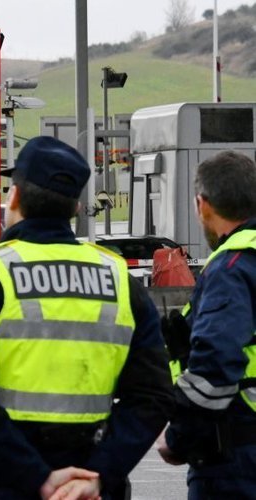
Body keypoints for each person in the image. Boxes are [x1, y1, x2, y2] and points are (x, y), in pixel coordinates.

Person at [0, 136, 174, 499]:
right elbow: (154, 396)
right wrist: (99, 473)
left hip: (4, 483)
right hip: (91, 485)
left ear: (14, 197)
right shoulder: (118, 279)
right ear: (76, 207)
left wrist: (38, 477)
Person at [157, 150, 256, 499]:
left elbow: (216, 366)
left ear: (203, 204)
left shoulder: (232, 270)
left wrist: (177, 438)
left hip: (236, 460)